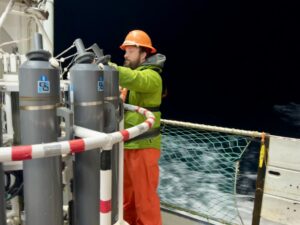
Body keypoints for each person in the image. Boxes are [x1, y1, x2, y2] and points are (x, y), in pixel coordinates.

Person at [110, 30, 166, 225]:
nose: (125, 55)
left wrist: (108, 68)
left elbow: (135, 79)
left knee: (145, 200)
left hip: (144, 147)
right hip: (128, 145)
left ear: (144, 54)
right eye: (125, 51)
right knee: (128, 199)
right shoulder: (133, 77)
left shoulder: (152, 77)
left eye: (130, 51)